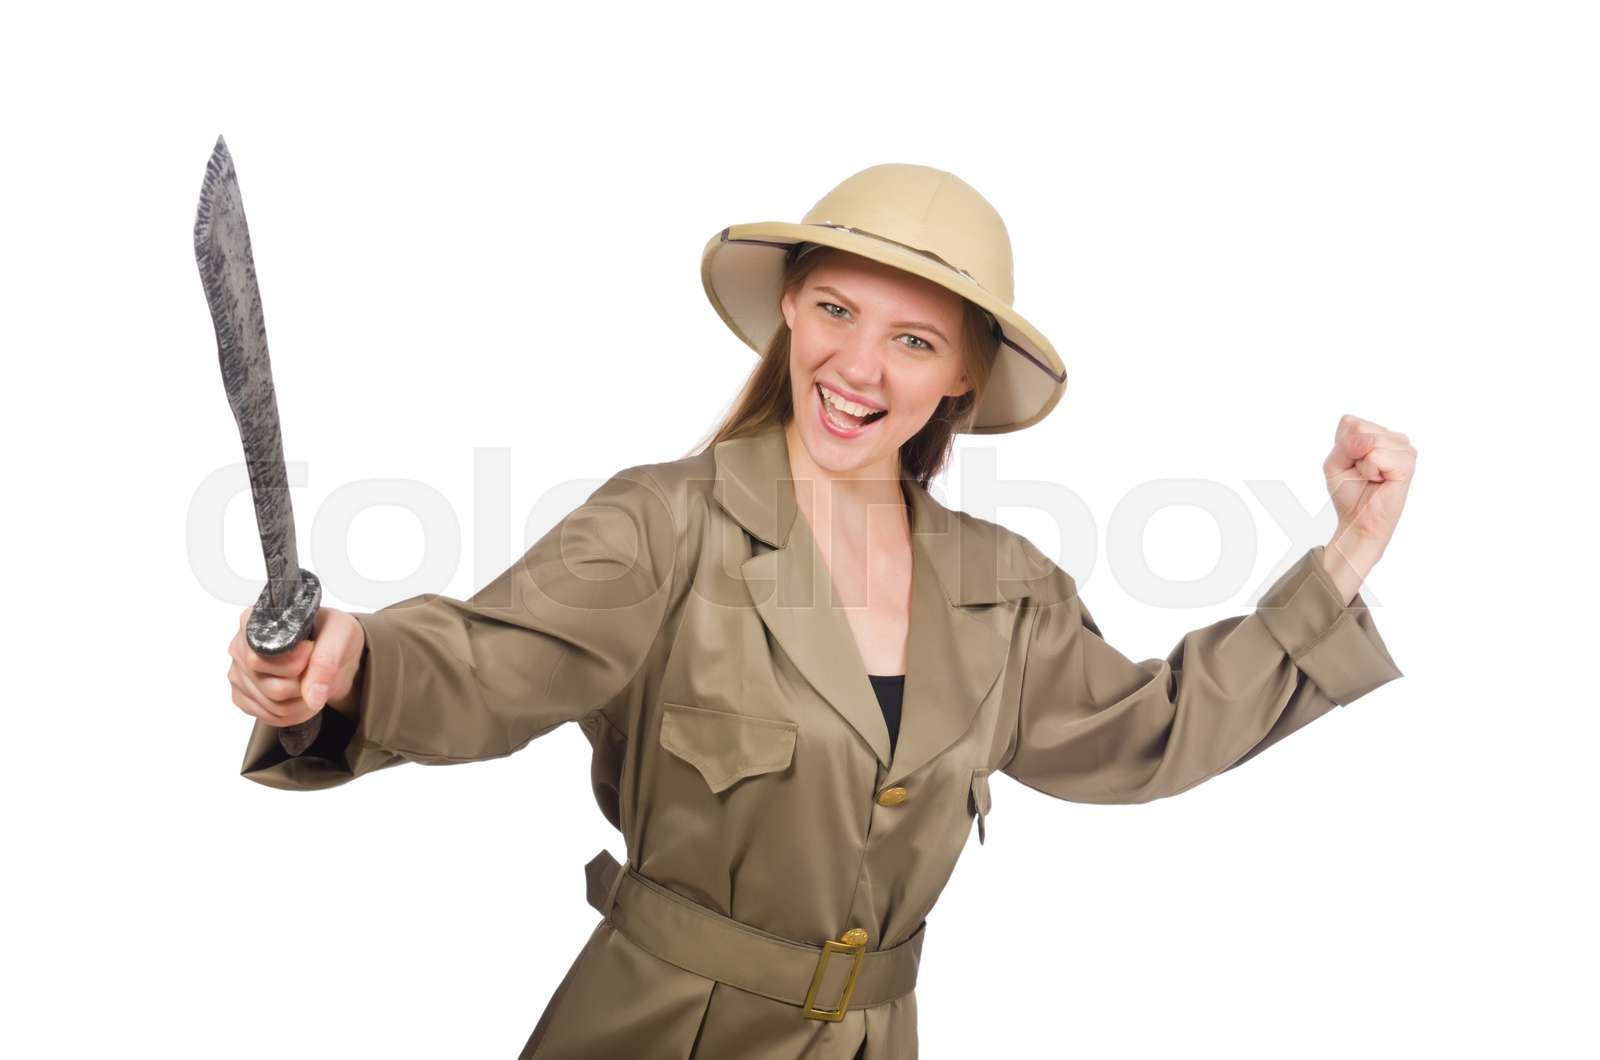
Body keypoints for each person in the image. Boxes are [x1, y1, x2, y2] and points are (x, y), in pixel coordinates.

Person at [226, 163, 1414, 1059]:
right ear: (790, 308)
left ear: (960, 375)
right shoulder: (664, 524)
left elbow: (1148, 733)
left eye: (912, 339)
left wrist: (1346, 557)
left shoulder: (1003, 590)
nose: (860, 366)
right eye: (837, 311)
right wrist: (352, 665)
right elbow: (486, 663)